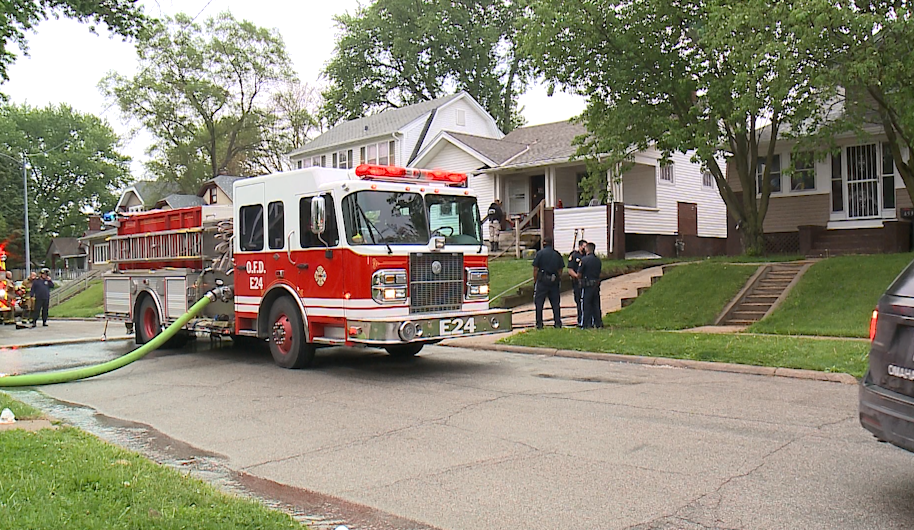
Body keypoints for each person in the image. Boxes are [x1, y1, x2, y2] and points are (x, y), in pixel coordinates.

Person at [532, 237, 564, 329]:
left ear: (544, 243)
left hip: (542, 281)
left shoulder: (540, 254)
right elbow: (561, 269)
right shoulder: (557, 254)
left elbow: (535, 268)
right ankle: (557, 323)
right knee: (555, 303)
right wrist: (558, 278)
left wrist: (535, 281)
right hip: (554, 282)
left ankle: (539, 324)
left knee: (539, 303)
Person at [579, 242, 604, 329]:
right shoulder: (598, 260)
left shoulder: (584, 260)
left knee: (586, 305)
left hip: (587, 286)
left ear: (587, 249)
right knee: (596, 305)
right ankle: (598, 324)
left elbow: (579, 273)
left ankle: (585, 324)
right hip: (596, 286)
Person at [567, 239, 587, 327]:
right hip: (577, 282)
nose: (585, 248)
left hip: (586, 282)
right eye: (584, 246)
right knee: (579, 302)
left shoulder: (588, 256)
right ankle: (580, 319)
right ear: (580, 246)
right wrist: (577, 276)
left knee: (587, 301)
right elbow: (570, 270)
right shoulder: (574, 256)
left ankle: (587, 320)